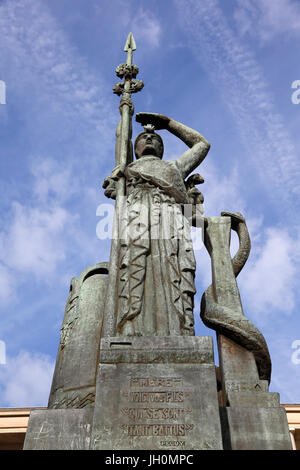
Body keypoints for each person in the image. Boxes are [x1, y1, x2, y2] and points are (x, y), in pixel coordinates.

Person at [103, 112, 210, 337]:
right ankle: (130, 323)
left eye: (156, 139)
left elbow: (202, 144)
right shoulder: (128, 169)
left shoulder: (174, 168)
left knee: (176, 271)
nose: (150, 139)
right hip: (136, 219)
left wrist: (168, 124)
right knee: (133, 266)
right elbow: (121, 135)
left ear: (162, 150)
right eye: (143, 138)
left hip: (171, 221)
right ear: (135, 148)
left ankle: (182, 328)